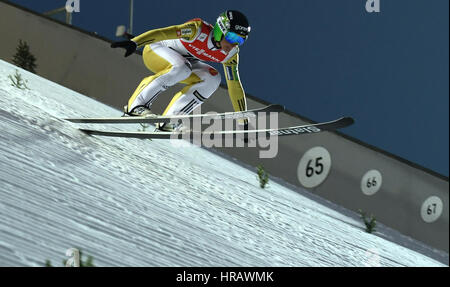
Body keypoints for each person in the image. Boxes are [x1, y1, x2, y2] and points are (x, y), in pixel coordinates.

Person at [111, 10, 251, 131]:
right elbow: (163, 33)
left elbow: (234, 84)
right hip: (156, 50)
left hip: (184, 64)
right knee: (183, 68)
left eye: (240, 40)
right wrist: (136, 42)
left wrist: (242, 118)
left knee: (213, 78)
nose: (233, 44)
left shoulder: (231, 54)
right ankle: (136, 106)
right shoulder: (197, 30)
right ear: (220, 30)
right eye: (232, 37)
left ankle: (171, 120)